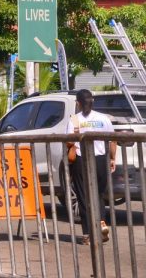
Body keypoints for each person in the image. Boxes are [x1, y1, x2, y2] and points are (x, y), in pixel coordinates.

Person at [67, 88, 116, 245]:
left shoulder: (74, 120)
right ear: (92, 102)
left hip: (82, 161)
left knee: (83, 196)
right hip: (101, 160)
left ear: (78, 103)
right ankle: (101, 222)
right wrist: (112, 158)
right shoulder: (103, 119)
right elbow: (113, 140)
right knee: (99, 194)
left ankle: (88, 234)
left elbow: (69, 141)